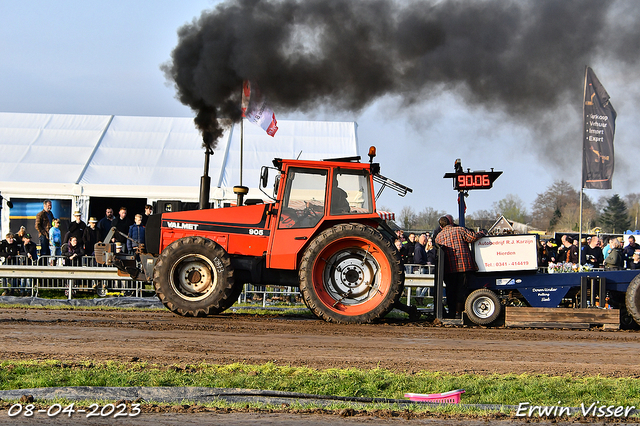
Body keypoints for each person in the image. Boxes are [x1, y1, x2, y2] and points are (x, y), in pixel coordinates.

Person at [435, 216, 485, 319]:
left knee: (450, 291)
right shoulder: (460, 230)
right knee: (461, 290)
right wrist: (483, 233)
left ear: (441, 226)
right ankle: (460, 312)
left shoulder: (438, 237)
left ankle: (452, 312)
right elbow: (473, 238)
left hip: (449, 269)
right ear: (451, 223)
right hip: (463, 267)